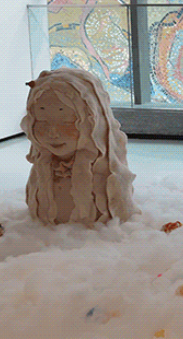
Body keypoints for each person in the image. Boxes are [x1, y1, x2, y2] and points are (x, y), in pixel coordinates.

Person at [21, 68, 140, 225]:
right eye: (42, 121)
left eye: (67, 122)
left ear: (93, 123)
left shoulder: (107, 174)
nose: (53, 133)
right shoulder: (42, 167)